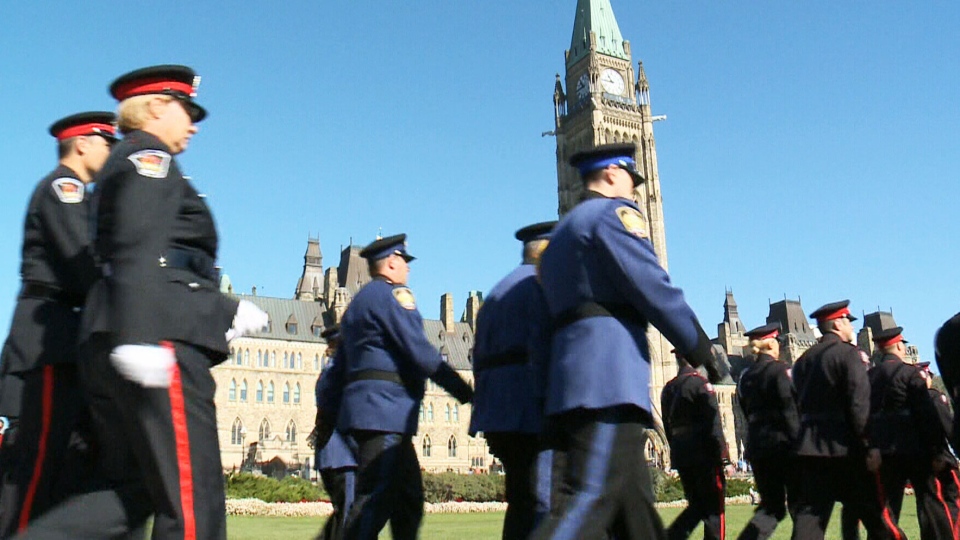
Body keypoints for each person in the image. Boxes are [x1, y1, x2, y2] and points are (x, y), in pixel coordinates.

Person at [16, 64, 268, 540]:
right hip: (157, 333)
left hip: (113, 335)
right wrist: (139, 334)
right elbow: (141, 243)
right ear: (156, 106)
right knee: (194, 502)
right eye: (187, 110)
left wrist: (223, 308)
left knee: (130, 494)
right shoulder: (148, 156)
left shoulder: (119, 164)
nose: (194, 124)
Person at [532, 143, 721, 540]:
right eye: (632, 182)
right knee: (588, 501)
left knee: (636, 519)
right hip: (607, 378)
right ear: (613, 175)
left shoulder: (562, 232)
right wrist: (701, 348)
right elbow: (652, 285)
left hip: (569, 380)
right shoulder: (612, 216)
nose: (636, 191)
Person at [0, 112, 116, 535]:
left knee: (66, 469)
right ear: (82, 144)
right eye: (106, 142)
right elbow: (83, 261)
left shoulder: (80, 196)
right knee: (37, 473)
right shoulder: (62, 189)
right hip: (50, 341)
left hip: (67, 340)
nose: (111, 150)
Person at [315, 234, 473, 540]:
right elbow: (420, 351)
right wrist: (464, 390)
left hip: (367, 417)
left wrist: (333, 418)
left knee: (408, 503)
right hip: (385, 415)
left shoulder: (358, 305)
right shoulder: (394, 296)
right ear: (391, 262)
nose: (408, 270)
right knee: (373, 503)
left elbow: (338, 373)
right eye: (404, 262)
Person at [469, 220, 555, 540]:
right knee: (543, 501)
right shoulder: (542, 286)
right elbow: (547, 348)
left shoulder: (496, 292)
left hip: (497, 415)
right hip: (532, 410)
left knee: (519, 502)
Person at [789, 300, 904, 540]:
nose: (851, 328)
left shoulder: (802, 361)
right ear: (839, 324)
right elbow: (858, 403)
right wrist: (868, 445)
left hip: (811, 451)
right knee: (877, 517)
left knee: (808, 524)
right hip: (846, 449)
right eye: (848, 322)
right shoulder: (848, 354)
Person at [867, 327, 947, 538]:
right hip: (915, 449)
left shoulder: (869, 376)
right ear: (900, 346)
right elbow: (926, 415)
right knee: (930, 506)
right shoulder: (911, 373)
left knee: (886, 510)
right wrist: (937, 450)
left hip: (884, 451)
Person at [735, 323, 799, 540]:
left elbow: (745, 412)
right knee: (802, 507)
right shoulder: (783, 371)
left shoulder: (744, 377)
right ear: (772, 344)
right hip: (785, 447)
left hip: (758, 447)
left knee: (771, 508)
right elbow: (791, 410)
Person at [662, 351, 734, 540]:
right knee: (714, 513)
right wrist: (724, 459)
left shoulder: (668, 388)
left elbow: (667, 428)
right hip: (705, 456)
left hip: (682, 456)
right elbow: (714, 425)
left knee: (696, 508)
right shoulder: (700, 384)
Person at [311, 325, 357, 540]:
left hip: (335, 456)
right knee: (349, 517)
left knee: (344, 516)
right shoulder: (338, 373)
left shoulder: (331, 372)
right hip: (342, 457)